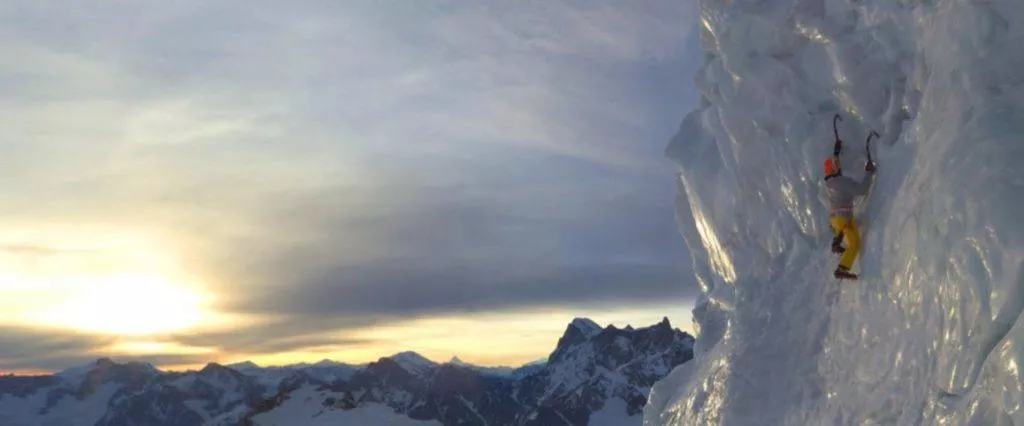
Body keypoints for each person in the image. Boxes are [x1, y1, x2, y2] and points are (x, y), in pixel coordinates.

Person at [824, 153, 875, 280]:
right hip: (844, 219)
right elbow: (862, 190)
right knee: (855, 243)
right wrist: (868, 173)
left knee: (854, 238)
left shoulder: (829, 184)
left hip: (835, 220)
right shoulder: (842, 182)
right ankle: (841, 268)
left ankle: (838, 241)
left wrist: (837, 151)